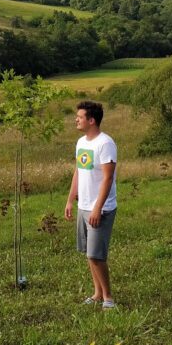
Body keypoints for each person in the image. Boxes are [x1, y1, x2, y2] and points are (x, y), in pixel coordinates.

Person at [64, 100, 118, 309]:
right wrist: (70, 200)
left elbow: (108, 178)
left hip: (101, 208)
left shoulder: (105, 144)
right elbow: (78, 171)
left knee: (96, 255)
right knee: (89, 253)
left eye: (80, 117)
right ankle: (97, 294)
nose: (76, 120)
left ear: (92, 120)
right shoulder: (81, 143)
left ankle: (108, 298)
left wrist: (97, 208)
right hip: (83, 206)